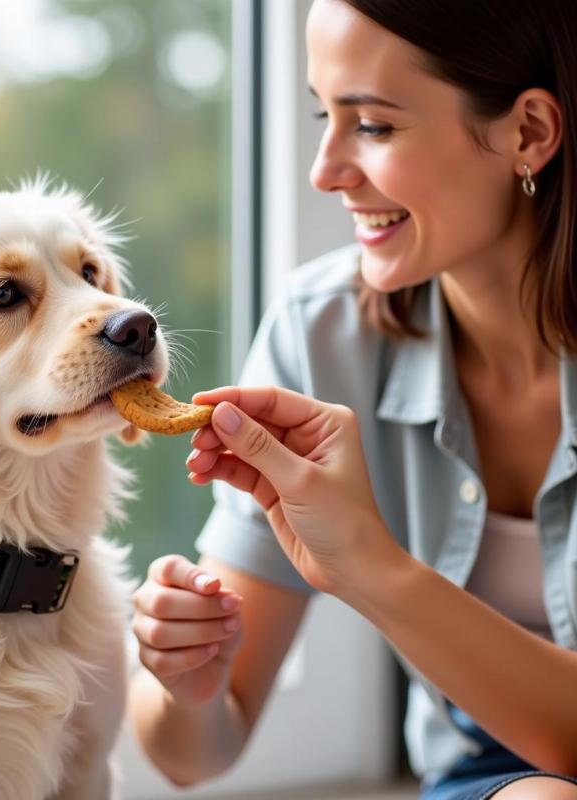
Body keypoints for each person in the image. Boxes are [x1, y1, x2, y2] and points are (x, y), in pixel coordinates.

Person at [127, 1, 577, 799]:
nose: (324, 170)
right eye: (321, 116)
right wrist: (188, 681)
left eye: (373, 126)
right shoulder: (322, 333)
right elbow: (193, 755)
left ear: (530, 132)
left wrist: (371, 568)